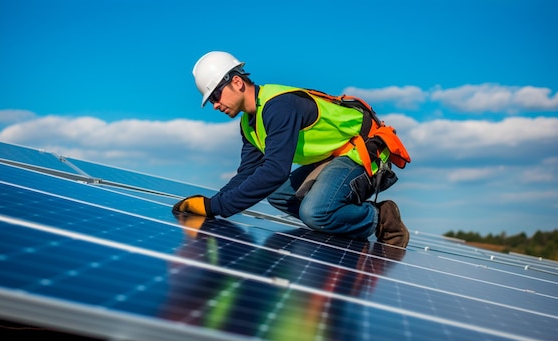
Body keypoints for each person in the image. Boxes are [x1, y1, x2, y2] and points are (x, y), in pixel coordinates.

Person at [173, 51, 409, 247]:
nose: (215, 105)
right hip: (334, 157)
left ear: (236, 82)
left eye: (215, 95)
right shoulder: (249, 124)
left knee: (315, 212)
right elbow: (248, 173)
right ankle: (337, 216)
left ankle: (379, 218)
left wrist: (217, 208)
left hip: (363, 151)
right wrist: (213, 203)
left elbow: (275, 171)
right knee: (279, 195)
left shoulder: (278, 107)